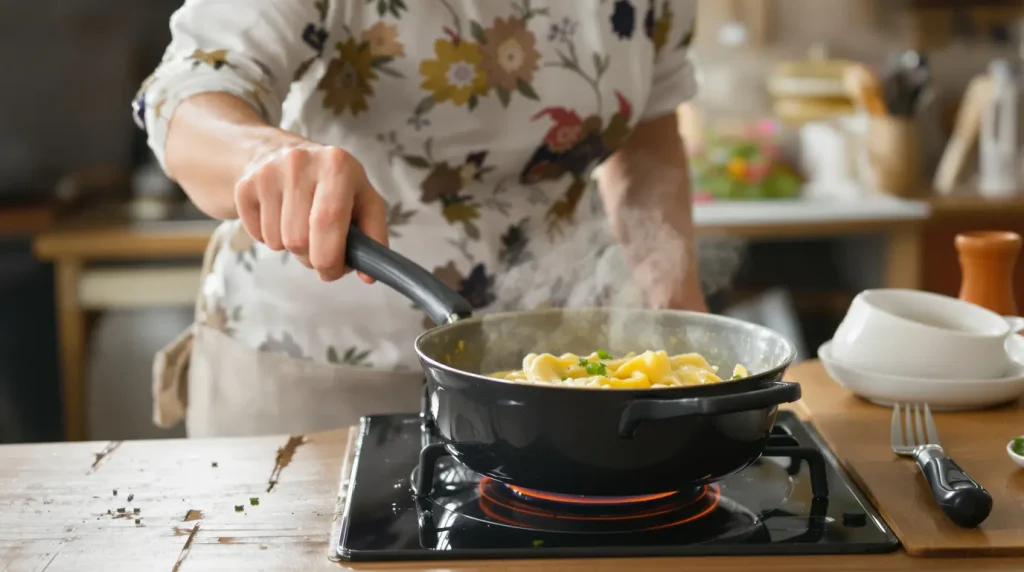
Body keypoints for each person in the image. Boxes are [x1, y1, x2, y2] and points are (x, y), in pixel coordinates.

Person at [136, 0, 706, 438]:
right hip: (313, 370)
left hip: (558, 381)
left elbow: (649, 137)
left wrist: (679, 322)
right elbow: (188, 94)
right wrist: (266, 156)